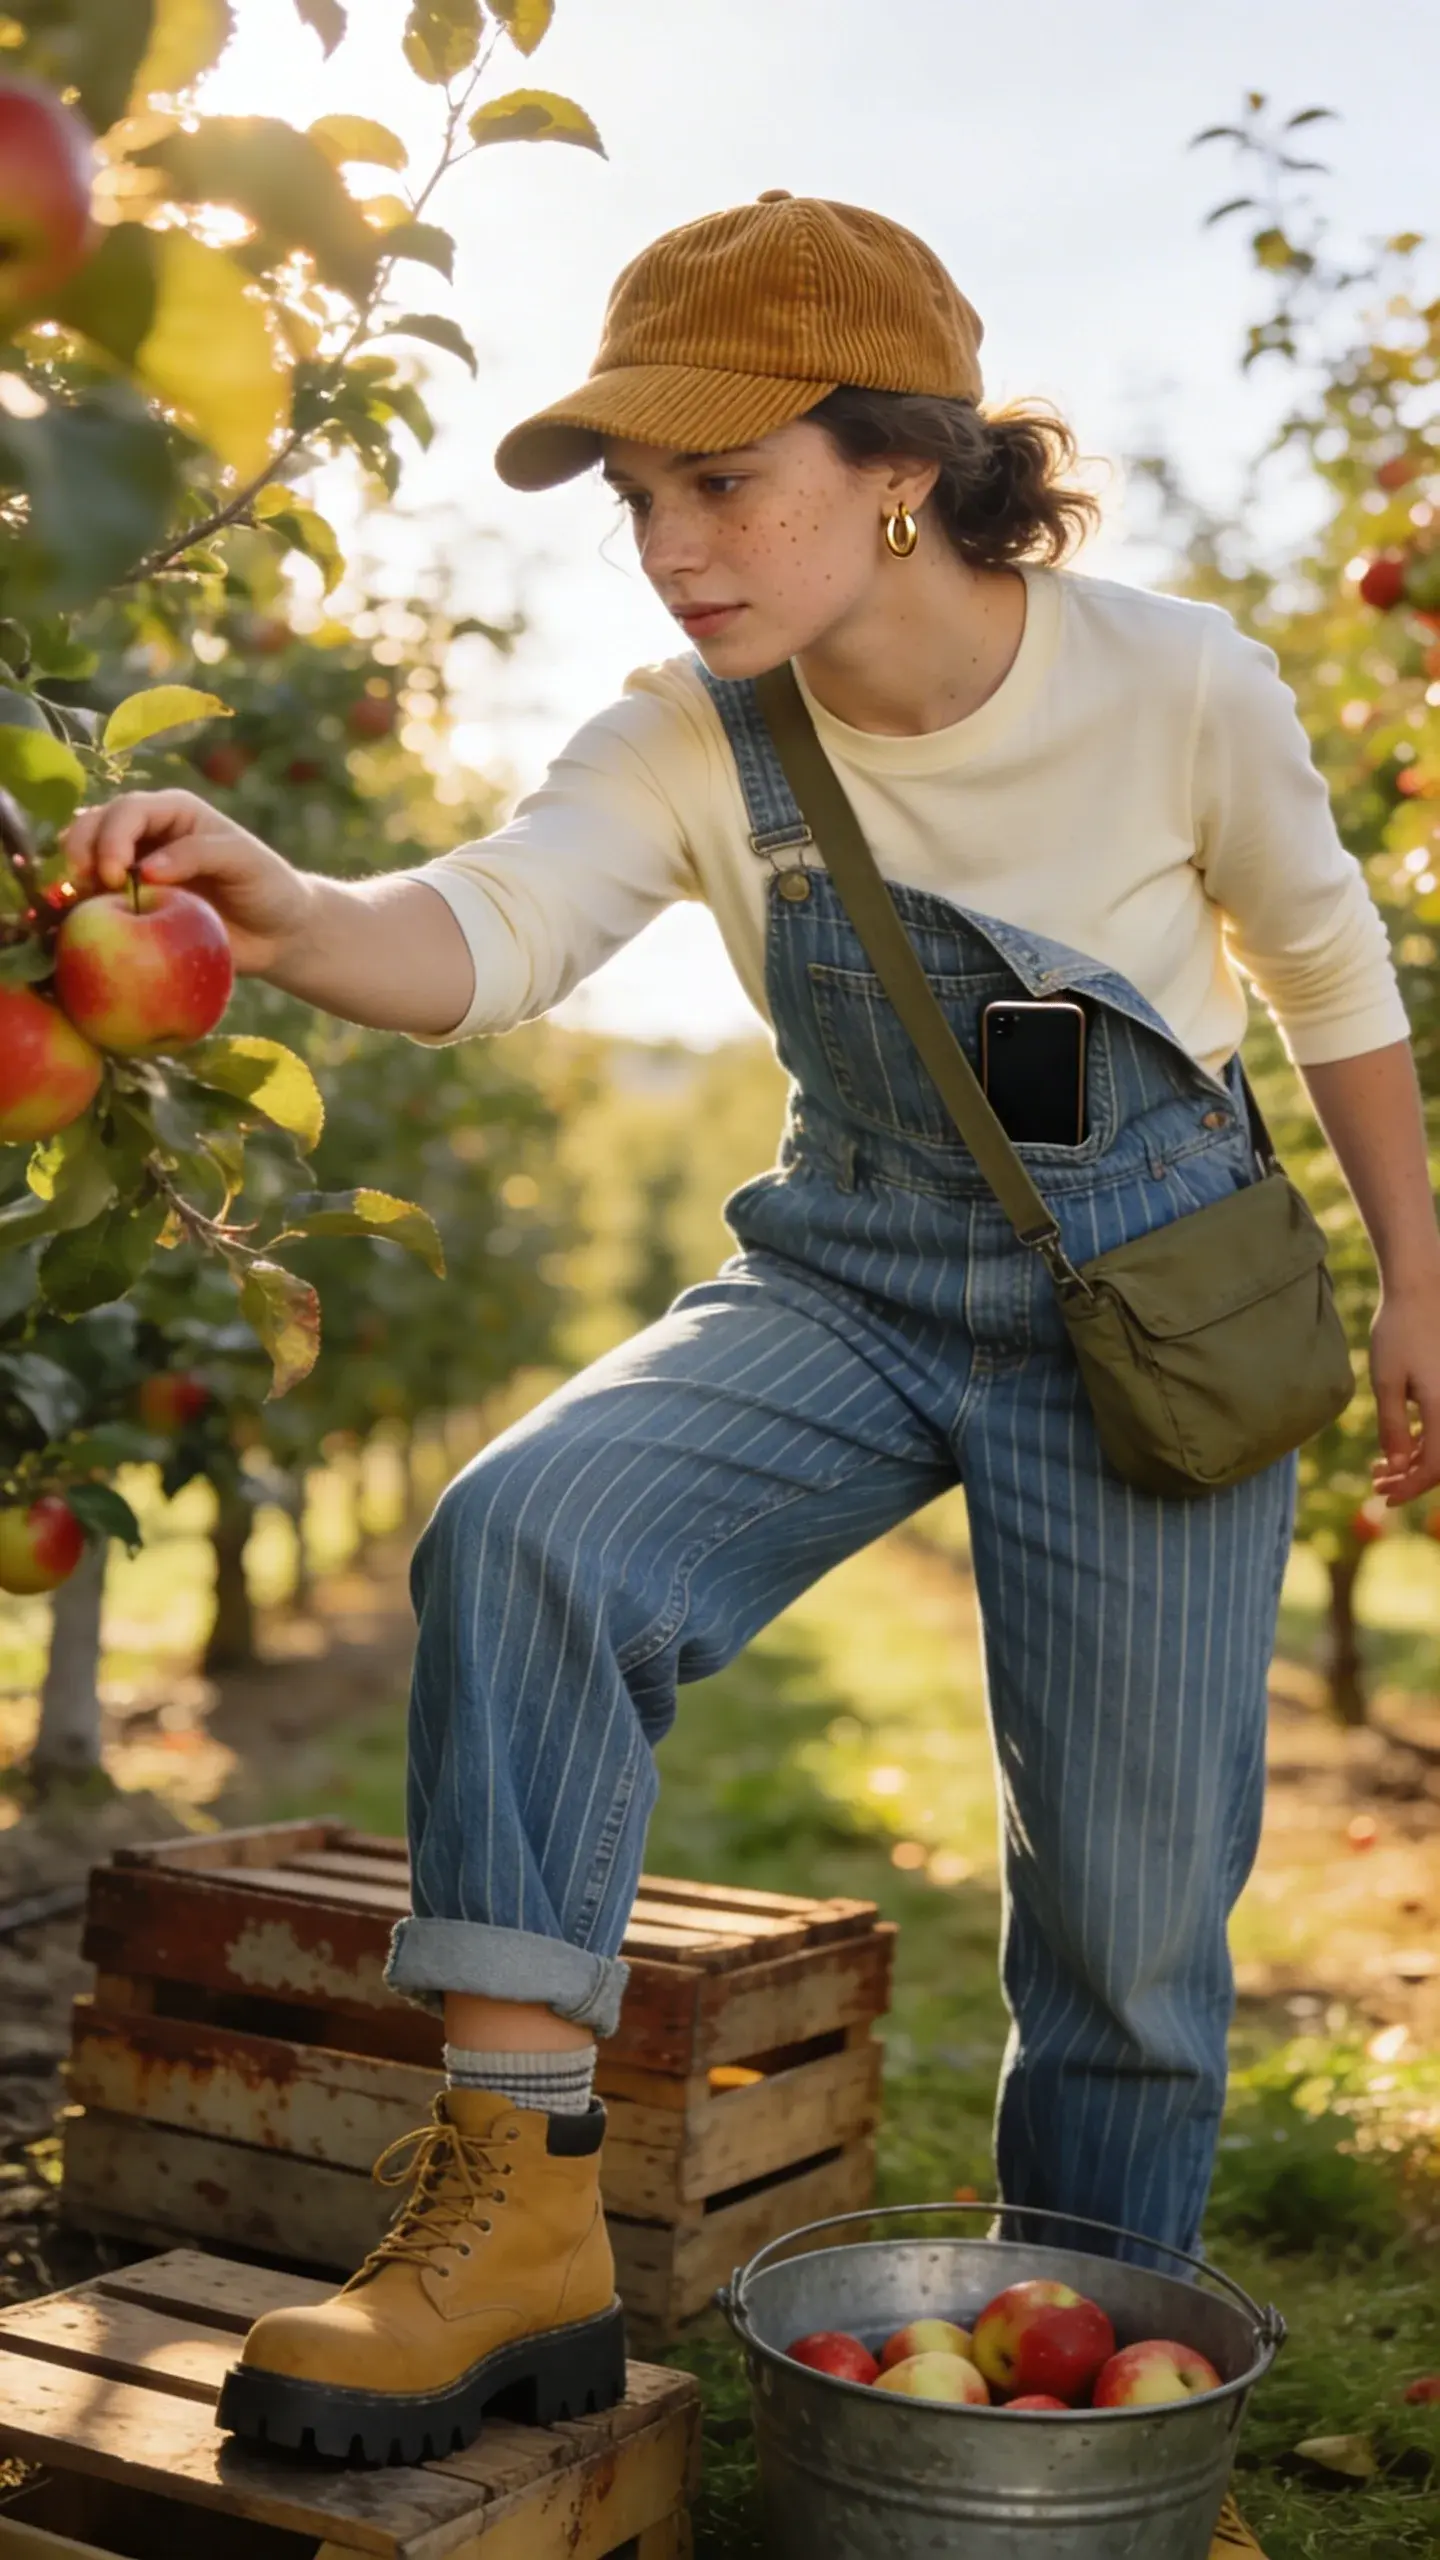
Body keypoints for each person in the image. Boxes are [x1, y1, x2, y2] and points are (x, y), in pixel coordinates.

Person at [61, 195, 1438, 2536]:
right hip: (854, 1274)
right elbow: (491, 930)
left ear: (898, 460)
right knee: (530, 1526)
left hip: (1149, 1310)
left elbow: (1330, 976)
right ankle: (509, 2211)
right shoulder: (685, 734)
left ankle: (1091, 2429)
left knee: (1125, 1920)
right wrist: (286, 907)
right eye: (638, 498)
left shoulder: (1178, 679)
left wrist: (1419, 1275)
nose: (672, 546)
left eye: (725, 480)